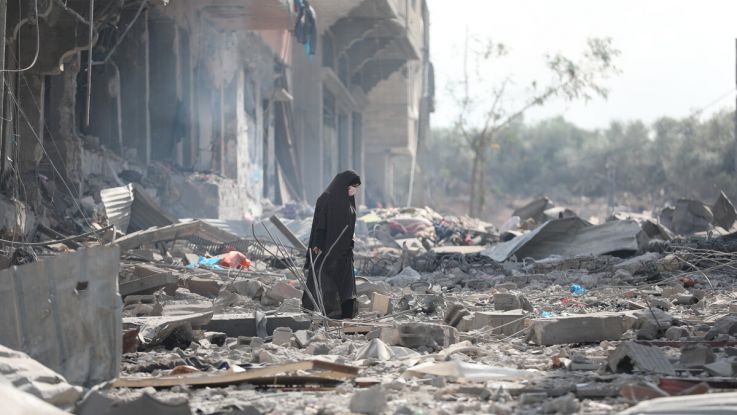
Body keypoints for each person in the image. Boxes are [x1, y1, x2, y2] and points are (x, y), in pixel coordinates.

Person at [302, 170, 361, 319]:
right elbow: (320, 224)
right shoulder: (326, 199)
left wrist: (351, 236)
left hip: (345, 251)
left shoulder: (349, 202)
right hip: (327, 249)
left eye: (356, 187)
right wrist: (318, 243)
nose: (354, 189)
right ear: (344, 184)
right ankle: (324, 311)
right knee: (324, 280)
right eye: (353, 185)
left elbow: (349, 223)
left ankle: (345, 313)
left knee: (345, 284)